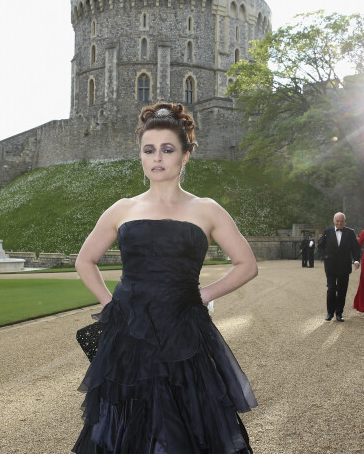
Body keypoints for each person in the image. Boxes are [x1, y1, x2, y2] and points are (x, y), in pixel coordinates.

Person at [73, 102, 258, 453]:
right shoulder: (123, 208)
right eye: (149, 150)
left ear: (185, 156)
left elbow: (247, 264)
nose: (157, 158)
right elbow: (86, 260)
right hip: (129, 334)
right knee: (125, 426)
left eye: (167, 149)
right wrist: (112, 305)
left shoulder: (206, 209)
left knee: (186, 424)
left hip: (184, 333)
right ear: (141, 156)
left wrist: (202, 295)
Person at [318, 212, 360, 322]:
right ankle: (330, 312)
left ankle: (339, 313)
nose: (339, 223)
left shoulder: (350, 233)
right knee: (331, 289)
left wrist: (356, 260)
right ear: (334, 220)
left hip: (344, 266)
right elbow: (320, 245)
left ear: (344, 221)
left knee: (342, 290)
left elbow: (356, 248)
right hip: (331, 265)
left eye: (341, 221)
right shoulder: (327, 232)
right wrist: (324, 256)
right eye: (337, 221)